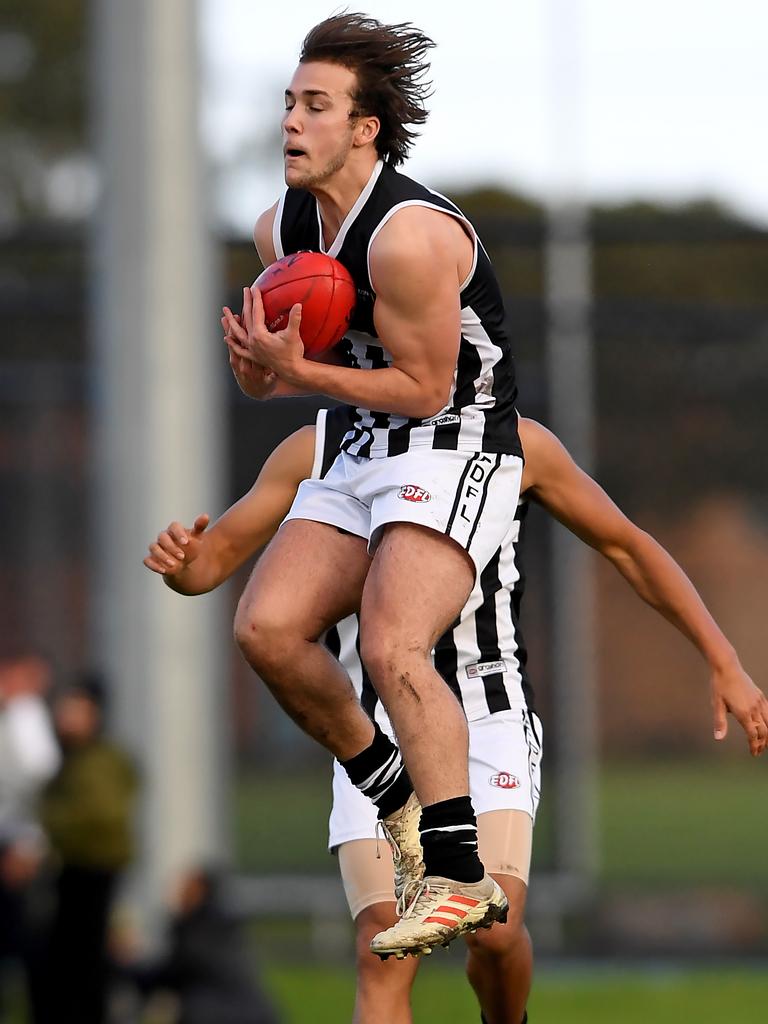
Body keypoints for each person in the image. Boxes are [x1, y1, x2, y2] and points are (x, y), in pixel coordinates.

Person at [144, 409, 768, 1024]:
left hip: (484, 710)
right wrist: (184, 563)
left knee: (494, 933)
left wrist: (723, 657)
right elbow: (214, 558)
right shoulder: (320, 446)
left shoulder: (515, 442)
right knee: (381, 944)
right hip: (379, 731)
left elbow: (625, 545)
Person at [221, 12, 524, 957]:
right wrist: (258, 363)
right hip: (362, 441)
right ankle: (389, 789)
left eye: (315, 106)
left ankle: (457, 872)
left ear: (366, 128)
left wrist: (300, 376)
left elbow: (427, 386)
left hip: (453, 437)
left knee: (395, 642)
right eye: (288, 104)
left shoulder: (410, 237)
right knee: (267, 630)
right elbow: (282, 369)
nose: (291, 124)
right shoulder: (282, 225)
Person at [38, 674, 139, 1024]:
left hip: (90, 873)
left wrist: (49, 827)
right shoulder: (72, 757)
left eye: (75, 709)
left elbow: (100, 816)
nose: (65, 716)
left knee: (82, 971)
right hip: (75, 872)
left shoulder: (97, 763)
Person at [123, 866, 280, 1024]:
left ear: (200, 890)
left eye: (185, 887)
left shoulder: (198, 932)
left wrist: (124, 964)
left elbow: (169, 974)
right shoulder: (217, 927)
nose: (177, 893)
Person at [0, 652, 59, 1022]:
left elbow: (42, 782)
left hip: (13, 849)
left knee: (23, 943)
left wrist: (28, 843)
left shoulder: (25, 715)